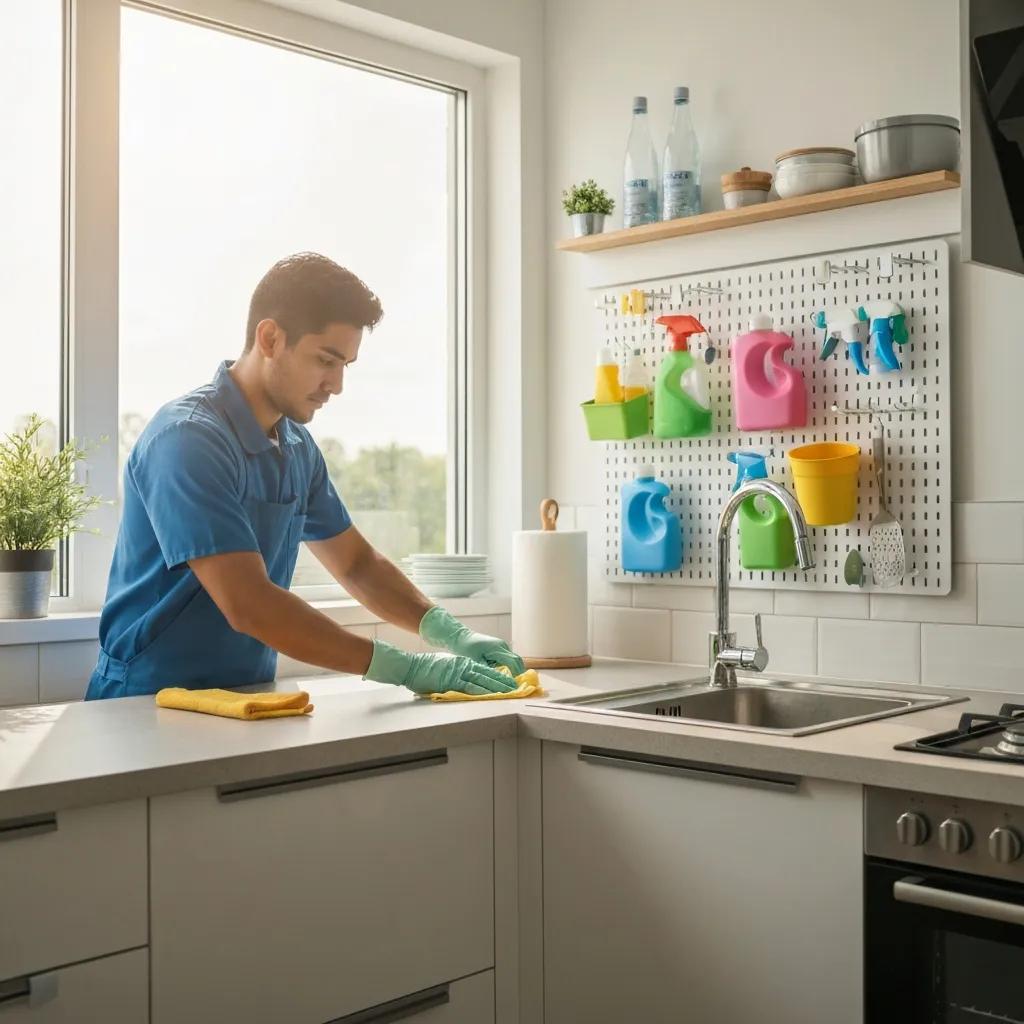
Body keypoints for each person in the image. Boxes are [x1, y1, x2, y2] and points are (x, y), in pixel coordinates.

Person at [86, 253, 523, 700]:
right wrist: (405, 668)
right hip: (144, 703)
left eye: (345, 366)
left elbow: (356, 564)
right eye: (325, 360)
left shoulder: (295, 446)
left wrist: (448, 632)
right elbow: (249, 604)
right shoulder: (188, 440)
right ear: (271, 337)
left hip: (247, 702)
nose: (336, 385)